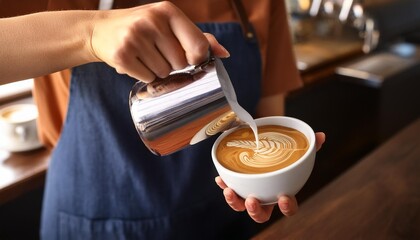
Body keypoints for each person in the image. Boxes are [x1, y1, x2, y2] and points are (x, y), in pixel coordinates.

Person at [0, 1, 326, 239]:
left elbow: (266, 116)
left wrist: (270, 182)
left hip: (220, 220)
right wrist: (90, 32)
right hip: (93, 225)